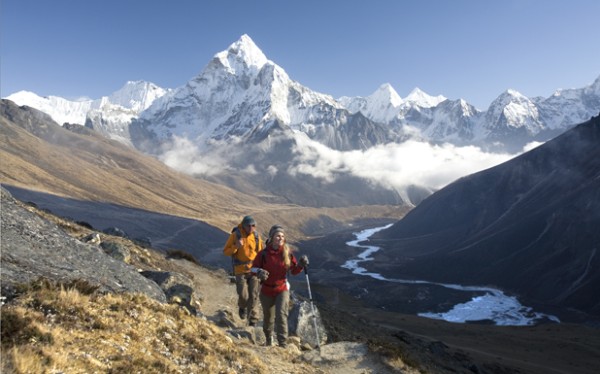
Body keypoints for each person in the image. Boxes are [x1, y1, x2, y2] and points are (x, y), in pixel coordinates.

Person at [252, 225, 309, 347]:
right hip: (266, 290)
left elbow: (293, 271)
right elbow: (252, 268)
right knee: (268, 318)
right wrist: (259, 272)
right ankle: (268, 339)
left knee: (282, 315)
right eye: (278, 235)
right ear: (272, 237)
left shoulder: (287, 253)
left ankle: (282, 344)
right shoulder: (263, 254)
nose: (280, 238)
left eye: (283, 236)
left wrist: (300, 265)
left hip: (282, 289)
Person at [223, 215, 264, 326]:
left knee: (254, 294)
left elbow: (260, 254)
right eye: (248, 225)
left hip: (254, 270)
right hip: (240, 270)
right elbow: (226, 251)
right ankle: (242, 307)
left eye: (253, 225)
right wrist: (236, 246)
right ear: (243, 225)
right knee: (243, 295)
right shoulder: (236, 235)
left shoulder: (256, 236)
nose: (251, 228)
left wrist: (262, 268)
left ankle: (252, 320)